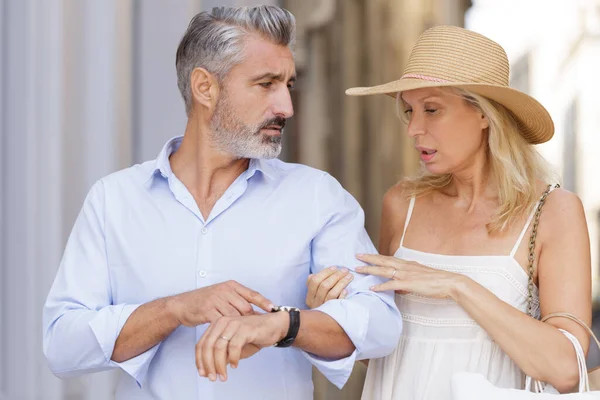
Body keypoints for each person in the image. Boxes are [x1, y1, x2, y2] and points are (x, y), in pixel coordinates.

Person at [42, 6, 401, 400]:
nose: (286, 107)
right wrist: (175, 309)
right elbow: (62, 345)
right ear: (204, 88)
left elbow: (382, 326)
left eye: (288, 85)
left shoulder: (317, 197)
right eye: (266, 84)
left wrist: (283, 325)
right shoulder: (114, 200)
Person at [307, 25, 592, 399]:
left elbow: (565, 369)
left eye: (432, 109)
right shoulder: (401, 205)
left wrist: (456, 286)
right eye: (409, 110)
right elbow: (388, 352)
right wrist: (334, 315)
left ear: (484, 114)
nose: (413, 128)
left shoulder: (553, 211)